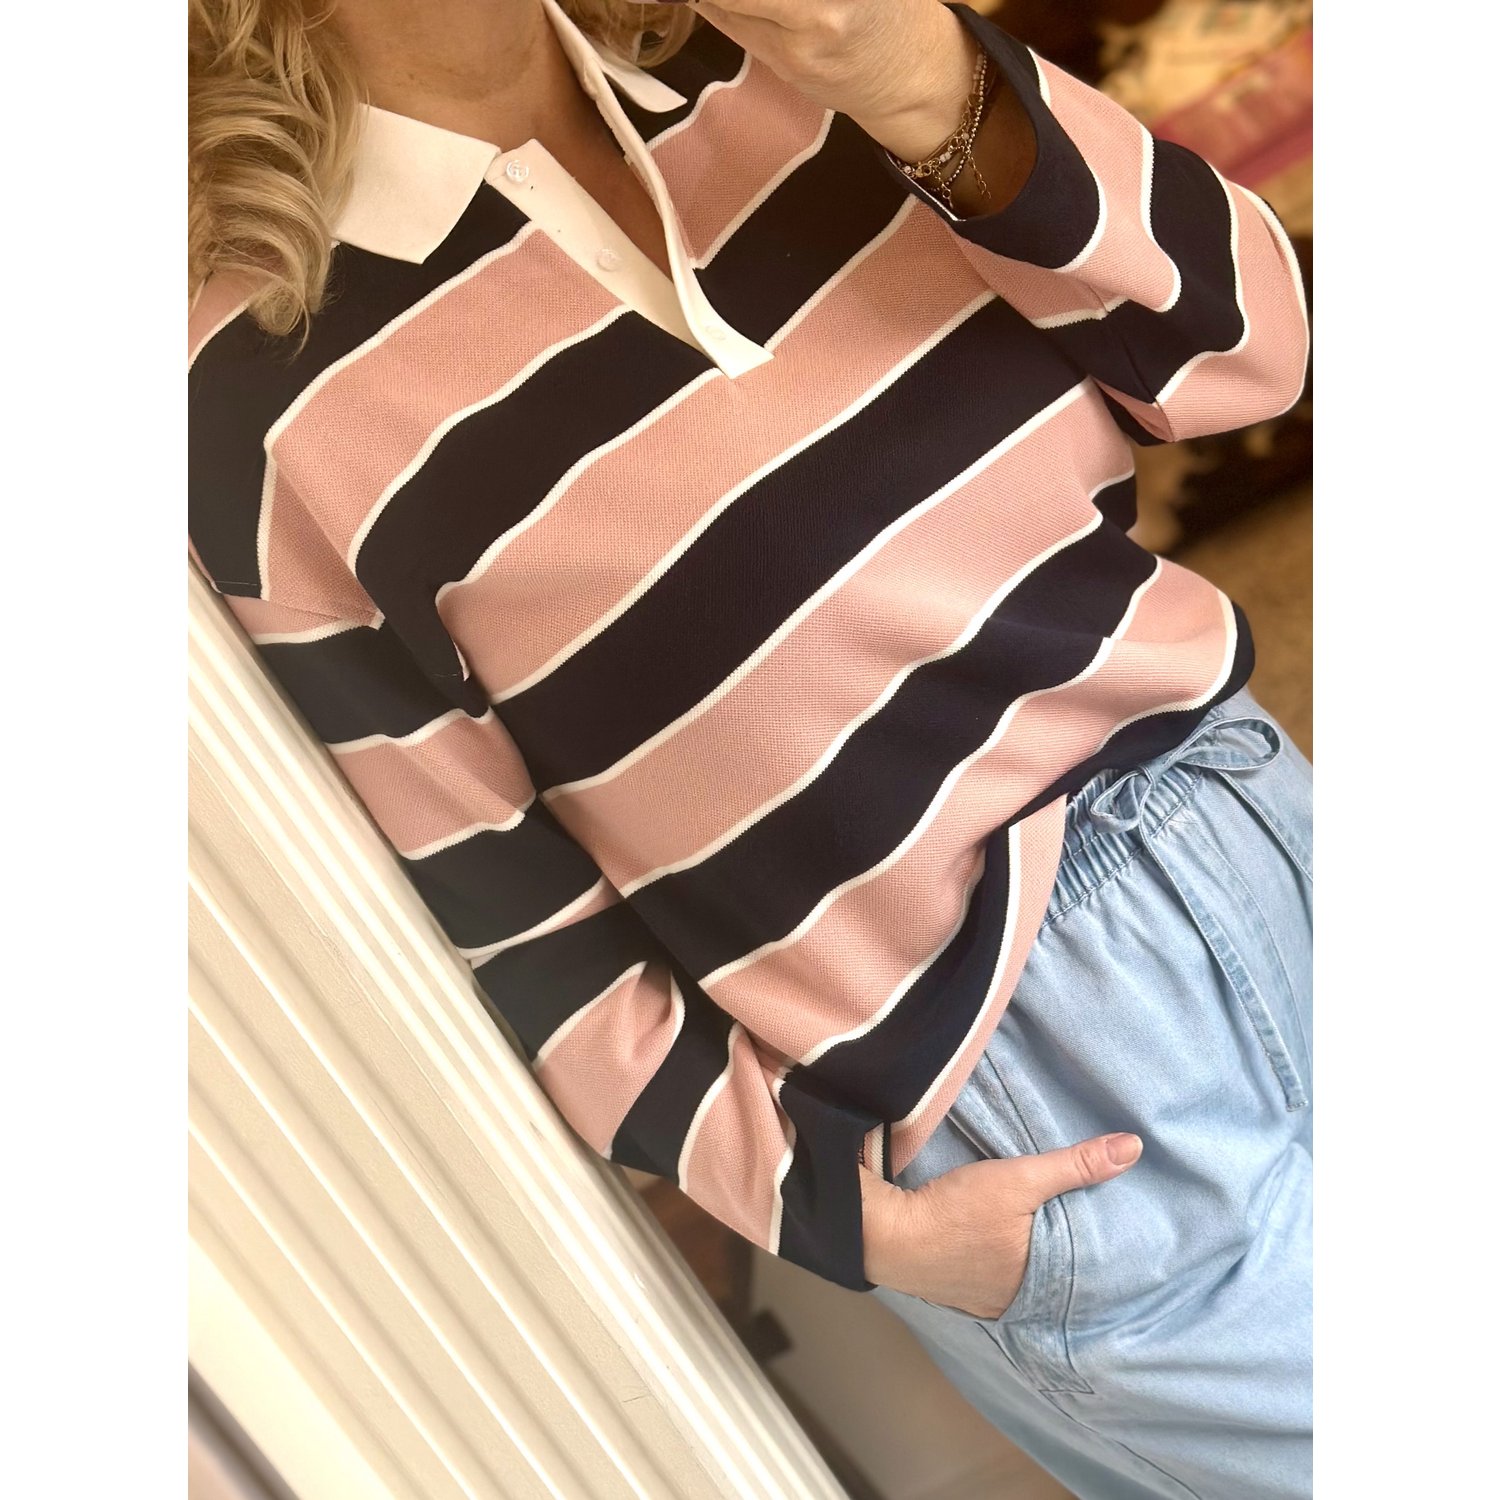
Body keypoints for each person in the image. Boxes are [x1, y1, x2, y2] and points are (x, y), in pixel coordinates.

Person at [188, 1, 1312, 1494]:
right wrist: (850, 1223)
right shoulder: (242, 391)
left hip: (1259, 827)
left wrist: (921, 80)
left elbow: (1247, 354)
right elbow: (515, 918)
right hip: (1019, 1087)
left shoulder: (791, 46)